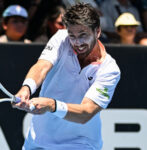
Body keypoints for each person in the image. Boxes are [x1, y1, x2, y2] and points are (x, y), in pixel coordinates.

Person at [13, 3, 120, 150]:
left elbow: (86, 112)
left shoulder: (110, 70)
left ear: (98, 32)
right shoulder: (61, 38)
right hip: (38, 140)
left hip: (80, 144)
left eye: (83, 35)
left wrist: (52, 105)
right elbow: (42, 66)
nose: (77, 43)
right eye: (72, 36)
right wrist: (27, 87)